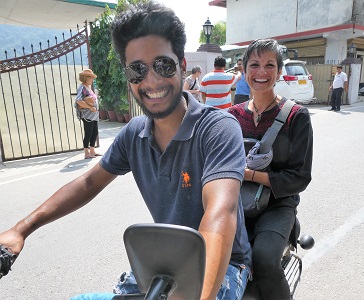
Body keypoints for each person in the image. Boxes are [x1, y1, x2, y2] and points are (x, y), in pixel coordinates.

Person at [0, 2, 252, 300]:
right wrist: (22, 229)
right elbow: (88, 182)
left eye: (163, 65)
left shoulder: (217, 129)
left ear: (182, 66)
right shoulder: (134, 133)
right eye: (137, 70)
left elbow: (220, 212)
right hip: (166, 258)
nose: (152, 80)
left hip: (225, 264)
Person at [228, 38, 313, 300]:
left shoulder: (296, 116)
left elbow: (300, 177)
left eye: (269, 65)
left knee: (264, 260)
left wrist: (250, 174)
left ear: (278, 71)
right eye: (254, 65)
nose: (261, 72)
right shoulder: (231, 116)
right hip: (235, 203)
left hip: (277, 204)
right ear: (244, 70)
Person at [75, 69, 102, 159]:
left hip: (93, 115)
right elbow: (78, 101)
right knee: (88, 133)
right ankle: (86, 153)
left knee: (94, 132)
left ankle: (92, 151)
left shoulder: (88, 87)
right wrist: (90, 107)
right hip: (87, 115)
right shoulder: (82, 87)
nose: (92, 80)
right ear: (86, 78)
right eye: (91, 78)